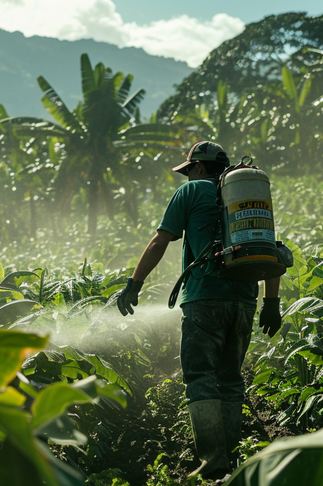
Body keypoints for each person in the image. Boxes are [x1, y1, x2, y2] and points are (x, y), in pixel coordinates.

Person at [117, 141, 282, 480]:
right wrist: (271, 304)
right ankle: (235, 459)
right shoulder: (245, 198)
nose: (186, 176)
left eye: (189, 169)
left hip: (204, 298)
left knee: (200, 376)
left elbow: (160, 241)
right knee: (231, 378)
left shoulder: (191, 192)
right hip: (244, 301)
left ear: (201, 168)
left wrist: (134, 284)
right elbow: (267, 249)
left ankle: (213, 462)